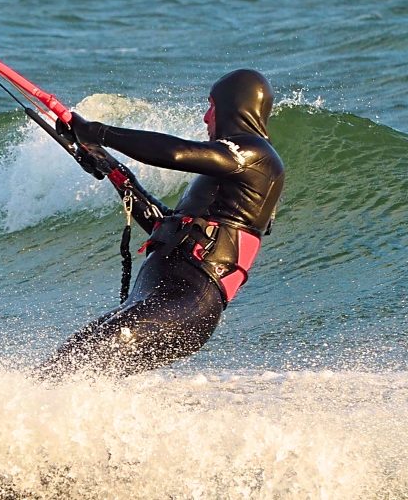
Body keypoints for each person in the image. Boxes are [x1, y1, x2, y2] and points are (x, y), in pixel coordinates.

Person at [36, 69, 285, 379]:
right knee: (70, 361)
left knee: (81, 361)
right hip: (157, 298)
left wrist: (98, 133)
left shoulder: (256, 155)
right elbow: (164, 227)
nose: (207, 117)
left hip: (186, 304)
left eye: (211, 106)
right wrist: (106, 162)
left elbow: (177, 153)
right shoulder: (226, 175)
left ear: (234, 106)